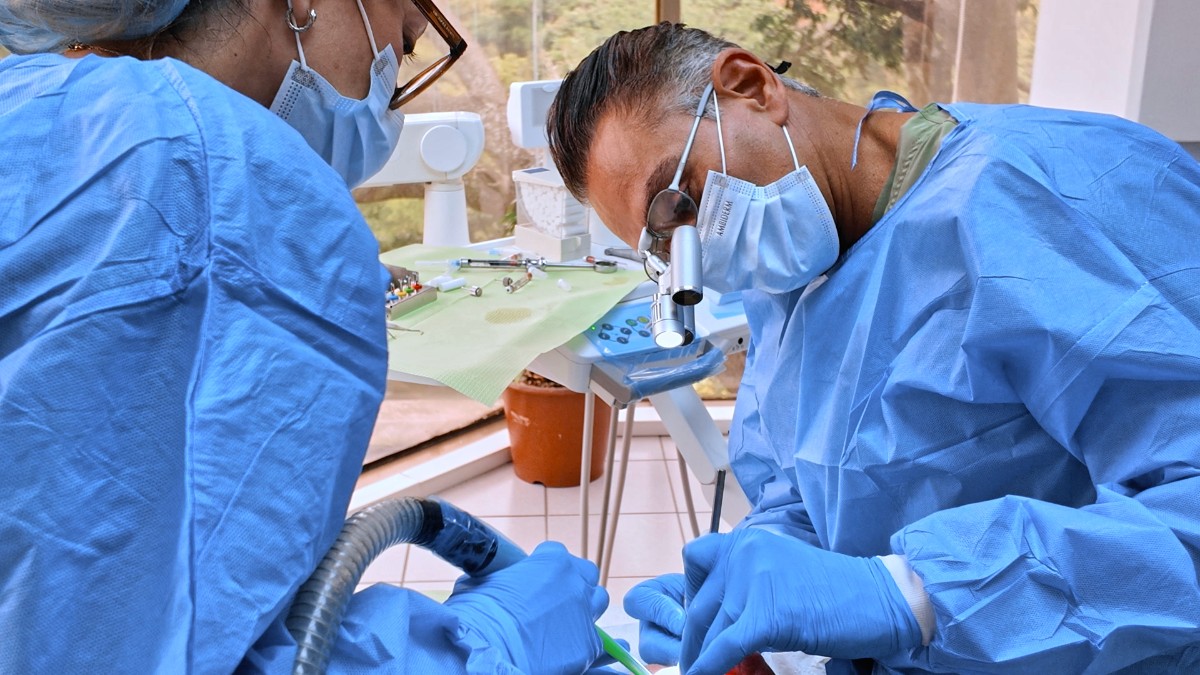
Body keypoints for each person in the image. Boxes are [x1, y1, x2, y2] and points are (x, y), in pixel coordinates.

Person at [546, 21, 1200, 675]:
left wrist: (910, 594)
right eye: (664, 250)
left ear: (750, 86)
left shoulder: (1043, 195)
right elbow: (808, 481)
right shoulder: (788, 270)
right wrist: (754, 577)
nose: (700, 249)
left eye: (678, 201)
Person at [0, 1, 610, 673]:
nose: (388, 102)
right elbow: (128, 648)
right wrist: (480, 646)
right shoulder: (241, 189)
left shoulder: (31, 112)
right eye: (401, 51)